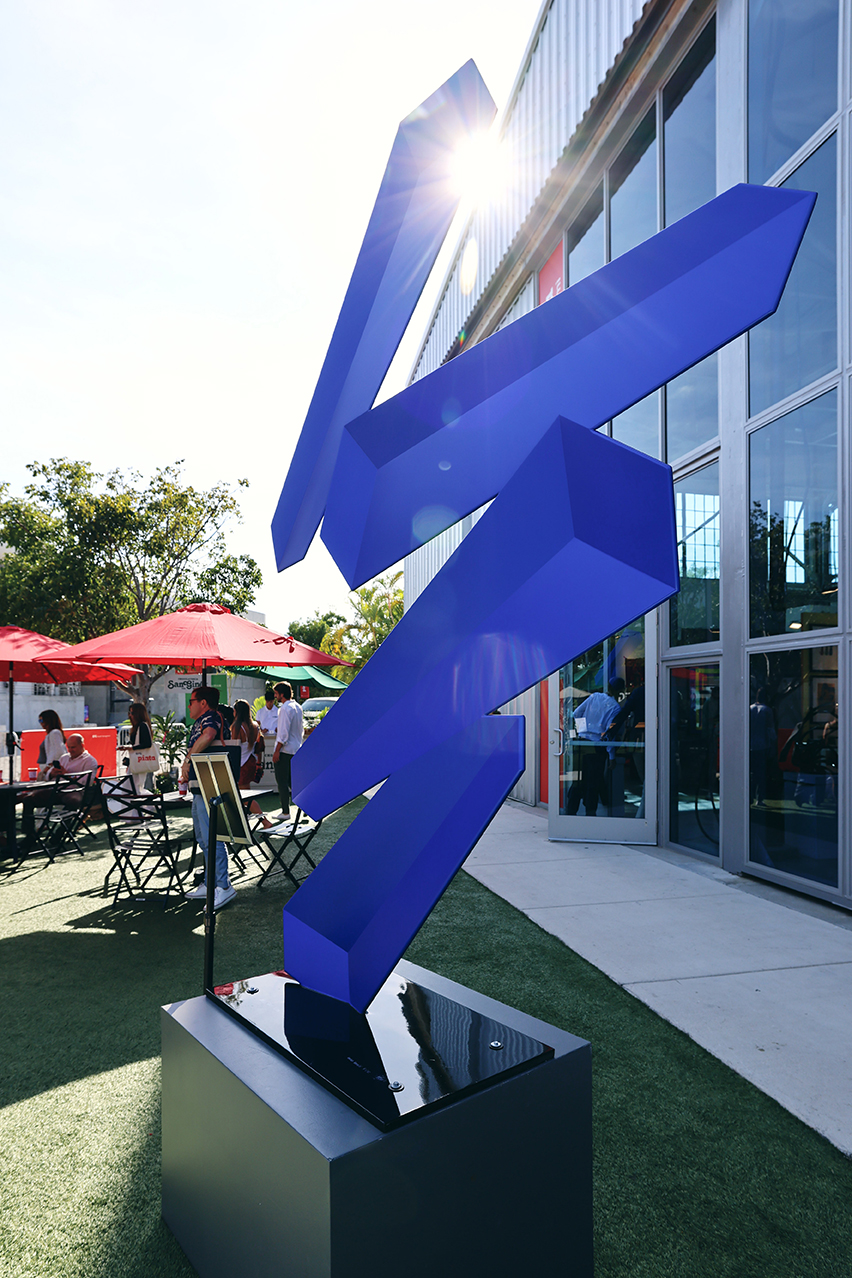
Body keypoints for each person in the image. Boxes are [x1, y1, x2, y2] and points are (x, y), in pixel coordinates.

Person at [179, 686, 236, 910]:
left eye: (191, 701)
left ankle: (223, 885)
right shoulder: (202, 720)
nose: (188, 705)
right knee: (204, 839)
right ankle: (211, 882)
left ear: (203, 702)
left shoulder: (211, 717)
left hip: (210, 786)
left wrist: (187, 760)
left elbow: (210, 735)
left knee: (212, 838)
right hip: (200, 787)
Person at [22, 733, 98, 849]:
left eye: (73, 747)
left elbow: (87, 782)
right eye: (69, 747)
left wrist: (67, 775)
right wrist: (51, 773)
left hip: (74, 791)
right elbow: (48, 775)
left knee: (73, 801)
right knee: (28, 799)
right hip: (56, 790)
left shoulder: (90, 761)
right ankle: (30, 836)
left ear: (82, 745)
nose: (70, 750)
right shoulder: (64, 758)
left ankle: (60, 833)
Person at [565, 681, 623, 816]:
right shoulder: (615, 707)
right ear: (620, 691)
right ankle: (590, 814)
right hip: (597, 746)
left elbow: (576, 713)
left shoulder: (595, 696)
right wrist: (612, 756)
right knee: (593, 782)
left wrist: (583, 730)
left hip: (582, 743)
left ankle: (570, 812)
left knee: (578, 780)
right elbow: (609, 733)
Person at [229, 699, 272, 828]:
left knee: (245, 797)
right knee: (243, 796)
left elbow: (233, 747)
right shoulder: (254, 726)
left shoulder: (237, 727)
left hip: (240, 764)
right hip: (250, 762)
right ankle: (243, 823)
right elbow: (259, 746)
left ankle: (265, 822)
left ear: (236, 711)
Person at [273, 681, 303, 819]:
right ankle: (306, 806)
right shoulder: (297, 706)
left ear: (282, 694)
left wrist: (277, 751)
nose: (275, 696)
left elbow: (283, 734)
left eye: (276, 694)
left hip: (285, 750)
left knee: (282, 782)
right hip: (296, 748)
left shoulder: (285, 708)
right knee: (292, 782)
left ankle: (285, 812)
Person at [127, 702, 154, 793]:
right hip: (136, 760)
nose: (130, 715)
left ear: (138, 714)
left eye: (132, 713)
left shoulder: (142, 725)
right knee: (133, 787)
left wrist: (132, 748)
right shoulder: (137, 727)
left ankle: (146, 799)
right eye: (129, 713)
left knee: (133, 787)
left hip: (139, 760)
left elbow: (147, 743)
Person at [36, 709, 66, 779]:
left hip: (51, 769)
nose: (40, 723)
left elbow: (59, 752)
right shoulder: (51, 734)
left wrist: (49, 766)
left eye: (41, 720)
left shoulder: (54, 733)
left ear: (48, 720)